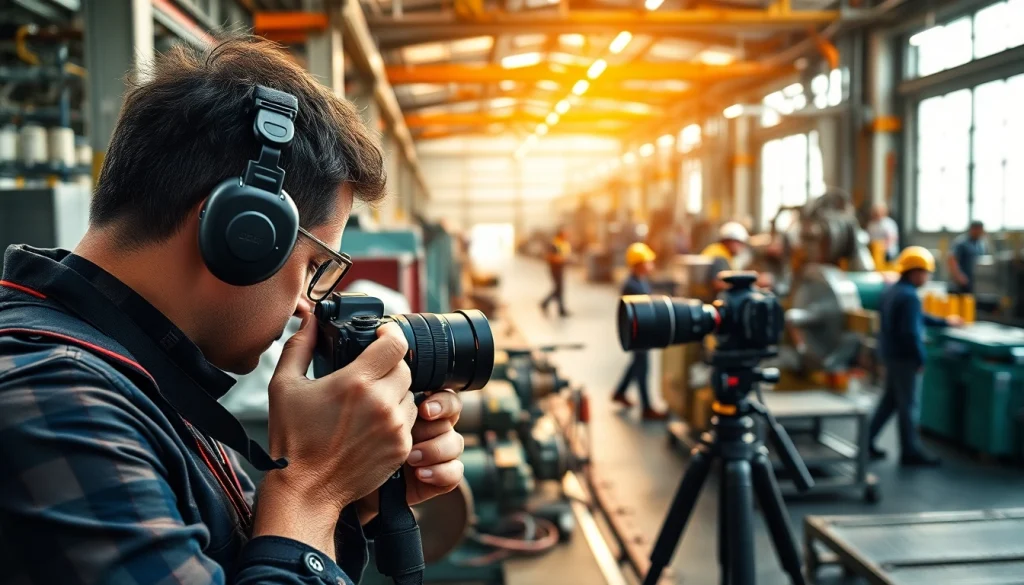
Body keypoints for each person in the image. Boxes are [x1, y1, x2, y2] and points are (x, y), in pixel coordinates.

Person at [0, 36, 466, 584]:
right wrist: (310, 485)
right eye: (315, 268)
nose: (304, 309)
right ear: (242, 232)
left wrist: (347, 494)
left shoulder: (144, 375)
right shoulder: (55, 403)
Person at [867, 246, 963, 467]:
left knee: (889, 402)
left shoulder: (892, 291)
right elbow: (911, 332)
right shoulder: (909, 296)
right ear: (915, 272)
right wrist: (920, 358)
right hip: (904, 358)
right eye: (926, 273)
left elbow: (918, 318)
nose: (927, 277)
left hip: (891, 355)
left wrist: (946, 321)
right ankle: (910, 452)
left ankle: (867, 441)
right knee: (908, 406)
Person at [612, 243, 668, 421]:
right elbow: (642, 308)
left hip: (641, 332)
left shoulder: (640, 281)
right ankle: (647, 408)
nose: (651, 265)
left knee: (637, 364)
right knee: (642, 367)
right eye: (648, 262)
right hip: (638, 332)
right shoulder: (632, 286)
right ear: (639, 264)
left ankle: (619, 392)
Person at [701, 221, 750, 293]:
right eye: (740, 243)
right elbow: (717, 284)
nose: (741, 247)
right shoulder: (719, 257)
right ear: (730, 241)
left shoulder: (718, 251)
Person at [947, 220, 987, 294]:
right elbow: (952, 259)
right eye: (979, 230)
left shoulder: (980, 245)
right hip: (960, 285)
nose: (981, 232)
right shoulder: (961, 242)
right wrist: (959, 276)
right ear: (973, 229)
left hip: (974, 284)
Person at [540, 227, 571, 317]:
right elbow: (550, 256)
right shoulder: (555, 244)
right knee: (559, 289)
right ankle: (558, 308)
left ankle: (547, 304)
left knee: (559, 289)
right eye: (565, 233)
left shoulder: (563, 243)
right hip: (555, 269)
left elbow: (564, 254)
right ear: (561, 234)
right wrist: (561, 259)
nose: (567, 235)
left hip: (560, 269)